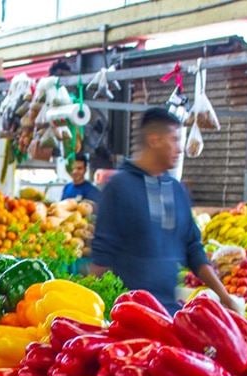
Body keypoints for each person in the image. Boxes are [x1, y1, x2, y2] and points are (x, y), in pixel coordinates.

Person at [90, 107, 235, 314]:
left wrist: (225, 297)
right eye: (174, 139)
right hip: (128, 314)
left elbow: (193, 249)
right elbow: (101, 256)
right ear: (154, 139)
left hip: (168, 312)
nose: (179, 148)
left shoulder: (176, 190)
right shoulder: (119, 187)